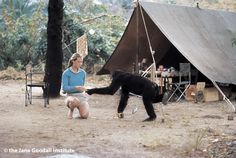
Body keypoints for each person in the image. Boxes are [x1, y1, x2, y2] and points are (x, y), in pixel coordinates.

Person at [61, 53, 89, 119]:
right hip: (70, 96)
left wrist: (84, 90)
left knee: (84, 116)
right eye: (78, 62)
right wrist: (75, 87)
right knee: (75, 101)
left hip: (81, 96)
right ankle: (71, 110)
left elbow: (82, 86)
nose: (80, 63)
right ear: (73, 61)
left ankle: (78, 114)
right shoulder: (66, 73)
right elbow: (64, 88)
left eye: (81, 62)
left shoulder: (83, 73)